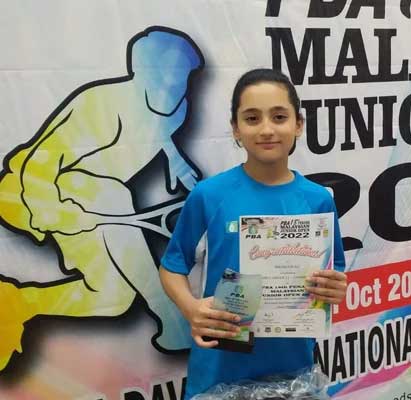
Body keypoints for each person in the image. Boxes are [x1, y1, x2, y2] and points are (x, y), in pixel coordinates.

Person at [0, 27, 203, 370]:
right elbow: (38, 168)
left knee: (113, 299)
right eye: (161, 77)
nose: (170, 88)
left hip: (93, 198)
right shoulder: (102, 106)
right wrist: (56, 213)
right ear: (138, 72)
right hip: (33, 193)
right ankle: (171, 318)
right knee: (114, 193)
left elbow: (160, 134)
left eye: (180, 78)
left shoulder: (177, 109)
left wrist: (179, 167)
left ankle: (20, 303)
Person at [159, 68, 348, 399]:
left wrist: (336, 287)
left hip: (294, 372)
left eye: (278, 116)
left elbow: (334, 273)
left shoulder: (317, 199)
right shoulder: (209, 195)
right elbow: (172, 265)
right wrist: (191, 308)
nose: (266, 129)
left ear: (298, 124)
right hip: (219, 370)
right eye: (251, 118)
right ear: (235, 128)